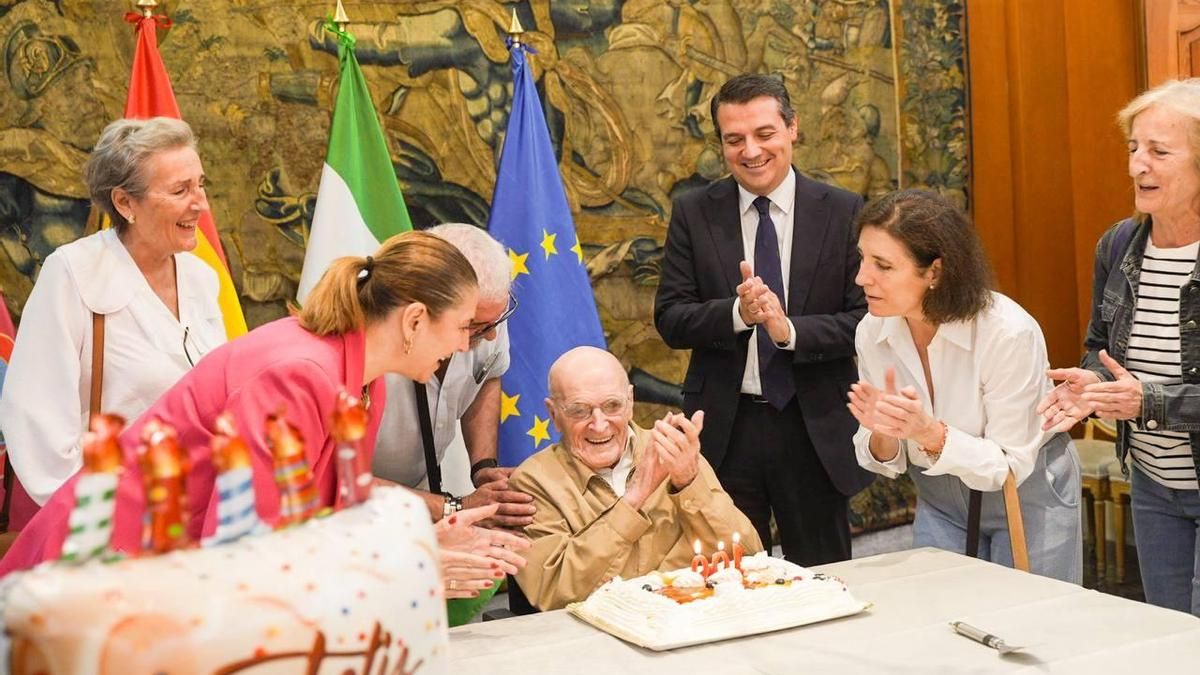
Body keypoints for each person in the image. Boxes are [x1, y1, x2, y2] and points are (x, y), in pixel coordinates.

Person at [0, 231, 528, 593]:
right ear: (415, 320)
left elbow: (330, 507)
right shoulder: (295, 375)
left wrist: (430, 533)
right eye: (464, 327)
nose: (466, 346)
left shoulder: (364, 382)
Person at [654, 73, 872, 565]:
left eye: (764, 134)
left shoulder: (842, 211)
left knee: (823, 582)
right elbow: (670, 317)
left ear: (792, 128)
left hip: (813, 427)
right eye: (734, 140)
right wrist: (738, 313)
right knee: (731, 582)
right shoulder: (694, 212)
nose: (750, 151)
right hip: (728, 431)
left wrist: (786, 330)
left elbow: (865, 319)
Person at [851, 189, 1081, 582]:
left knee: (1032, 627)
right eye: (862, 258)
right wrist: (882, 430)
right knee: (942, 621)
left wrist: (927, 432)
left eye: (883, 265)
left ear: (935, 272)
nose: (861, 277)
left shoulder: (1007, 332)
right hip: (938, 497)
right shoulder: (872, 331)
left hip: (1024, 494)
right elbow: (884, 459)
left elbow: (1007, 464)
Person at [0, 117, 227, 508]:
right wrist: (90, 510)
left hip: (196, 508)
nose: (201, 204)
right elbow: (36, 414)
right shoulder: (74, 273)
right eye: (180, 190)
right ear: (125, 203)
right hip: (113, 518)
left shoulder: (201, 278)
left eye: (201, 184)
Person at [1037, 79, 1200, 613]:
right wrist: (1096, 384)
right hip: (1154, 483)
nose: (1137, 166)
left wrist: (1145, 402)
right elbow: (1099, 345)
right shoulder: (1118, 244)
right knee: (1171, 632)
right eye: (1133, 149)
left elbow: (1145, 395)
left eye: (1158, 151)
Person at [509, 346, 761, 611]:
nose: (599, 424)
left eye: (612, 406)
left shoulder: (674, 451)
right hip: (596, 640)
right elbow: (556, 593)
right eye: (579, 411)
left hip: (694, 621)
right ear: (553, 414)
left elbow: (748, 554)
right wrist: (634, 498)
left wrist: (688, 483)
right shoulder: (532, 482)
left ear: (630, 401)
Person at [372, 223, 534, 529]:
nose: (490, 336)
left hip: (417, 503)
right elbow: (339, 484)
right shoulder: (363, 355)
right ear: (420, 312)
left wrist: (483, 466)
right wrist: (455, 506)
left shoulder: (486, 316)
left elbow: (487, 374)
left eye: (495, 321)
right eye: (470, 326)